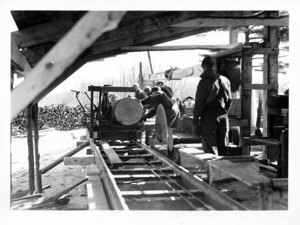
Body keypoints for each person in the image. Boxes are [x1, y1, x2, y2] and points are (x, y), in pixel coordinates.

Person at [193, 56, 232, 156]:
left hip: (209, 119)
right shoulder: (226, 80)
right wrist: (224, 113)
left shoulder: (204, 82)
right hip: (223, 117)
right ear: (214, 66)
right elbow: (229, 102)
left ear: (204, 67)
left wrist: (196, 122)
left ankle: (213, 171)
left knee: (210, 152)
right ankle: (223, 171)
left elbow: (199, 103)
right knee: (223, 149)